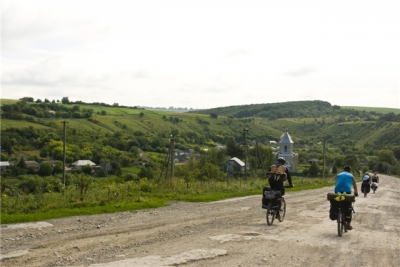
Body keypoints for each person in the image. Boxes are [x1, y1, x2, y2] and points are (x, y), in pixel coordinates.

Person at [332, 166, 358, 230]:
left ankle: (338, 213)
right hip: (347, 192)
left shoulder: (339, 174)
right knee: (349, 207)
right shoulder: (351, 176)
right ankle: (348, 225)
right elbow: (354, 185)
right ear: (349, 170)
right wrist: (356, 192)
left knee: (337, 203)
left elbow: (336, 183)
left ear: (343, 170)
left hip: (337, 191)